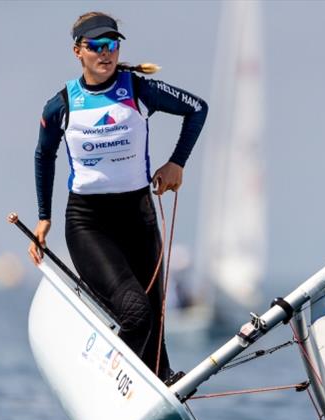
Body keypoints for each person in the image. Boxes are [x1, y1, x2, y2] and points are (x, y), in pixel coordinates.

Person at [30, 12, 207, 383]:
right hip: (88, 223)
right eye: (96, 46)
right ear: (78, 51)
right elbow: (44, 155)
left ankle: (157, 383)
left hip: (138, 216)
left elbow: (197, 109)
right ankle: (103, 382)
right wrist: (44, 216)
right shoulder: (62, 105)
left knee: (155, 327)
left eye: (111, 45)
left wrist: (176, 163)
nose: (105, 53)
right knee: (135, 312)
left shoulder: (138, 90)